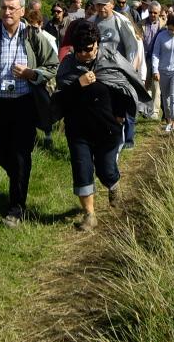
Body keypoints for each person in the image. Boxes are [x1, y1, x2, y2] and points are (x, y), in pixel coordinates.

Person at [0, 0, 59, 227]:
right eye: (3, 7)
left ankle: (16, 207)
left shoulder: (32, 35)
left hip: (24, 104)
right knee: (2, 154)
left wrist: (32, 73)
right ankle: (18, 180)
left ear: (22, 11)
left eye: (12, 8)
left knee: (20, 155)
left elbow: (53, 64)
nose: (7, 12)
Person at [55, 20, 148, 231]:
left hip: (107, 128)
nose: (84, 54)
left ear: (97, 44)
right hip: (78, 128)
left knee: (106, 170)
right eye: (79, 50)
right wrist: (79, 84)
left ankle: (113, 184)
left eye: (88, 49)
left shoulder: (111, 59)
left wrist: (120, 116)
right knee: (82, 169)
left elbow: (124, 87)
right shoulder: (68, 65)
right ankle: (90, 215)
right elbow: (60, 98)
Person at [89, 0, 140, 149]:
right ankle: (106, 139)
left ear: (111, 4)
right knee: (102, 109)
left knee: (119, 111)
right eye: (97, 5)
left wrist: (129, 68)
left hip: (118, 73)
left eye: (104, 4)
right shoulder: (91, 22)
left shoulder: (120, 22)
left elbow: (132, 46)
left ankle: (119, 140)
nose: (101, 8)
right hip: (97, 73)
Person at [26, 8, 59, 149]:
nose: (32, 28)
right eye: (29, 25)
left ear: (40, 24)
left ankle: (48, 135)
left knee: (45, 108)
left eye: (34, 25)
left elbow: (52, 62)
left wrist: (37, 73)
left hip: (45, 79)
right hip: (29, 79)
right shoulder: (26, 37)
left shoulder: (48, 39)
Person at [141, 1, 163, 120]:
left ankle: (154, 111)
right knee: (144, 84)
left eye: (155, 12)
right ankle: (145, 109)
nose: (152, 14)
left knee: (156, 85)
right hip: (144, 57)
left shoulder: (163, 25)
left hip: (157, 58)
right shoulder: (141, 24)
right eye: (150, 12)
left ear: (159, 13)